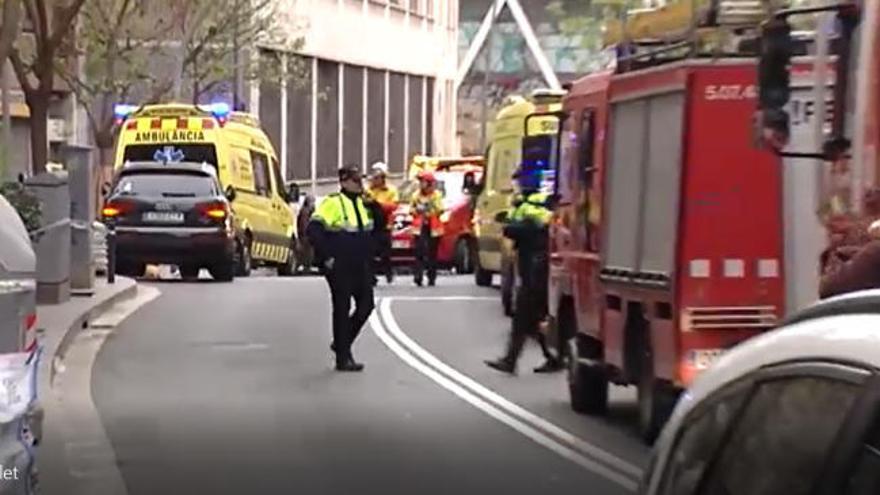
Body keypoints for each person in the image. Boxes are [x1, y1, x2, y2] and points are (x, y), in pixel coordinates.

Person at [486, 167, 562, 374]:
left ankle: (511, 361)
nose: (515, 184)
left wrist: (509, 227)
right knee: (533, 320)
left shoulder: (530, 204)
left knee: (523, 318)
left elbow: (532, 229)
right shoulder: (531, 202)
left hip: (535, 269)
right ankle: (552, 358)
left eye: (517, 180)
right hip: (535, 268)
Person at [306, 166, 378, 372]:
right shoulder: (333, 203)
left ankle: (341, 343)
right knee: (342, 308)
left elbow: (378, 227)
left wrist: (376, 206)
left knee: (367, 305)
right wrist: (327, 257)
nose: (360, 185)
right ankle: (343, 357)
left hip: (360, 264)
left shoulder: (364, 204)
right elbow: (313, 229)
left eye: (361, 180)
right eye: (356, 181)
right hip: (340, 266)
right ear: (344, 182)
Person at [365, 162, 399, 284]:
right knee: (370, 252)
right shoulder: (368, 190)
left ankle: (388, 271)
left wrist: (378, 204)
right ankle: (371, 276)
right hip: (371, 225)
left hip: (385, 224)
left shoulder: (391, 191)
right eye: (374, 177)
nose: (375, 180)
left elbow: (394, 205)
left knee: (385, 252)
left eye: (378, 177)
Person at [410, 170, 444, 287]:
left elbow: (440, 209)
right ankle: (418, 276)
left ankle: (431, 277)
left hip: (433, 228)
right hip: (419, 228)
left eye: (423, 182)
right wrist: (417, 210)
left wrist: (429, 210)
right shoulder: (416, 195)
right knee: (419, 252)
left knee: (432, 254)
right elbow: (411, 210)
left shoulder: (436, 195)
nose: (421, 184)